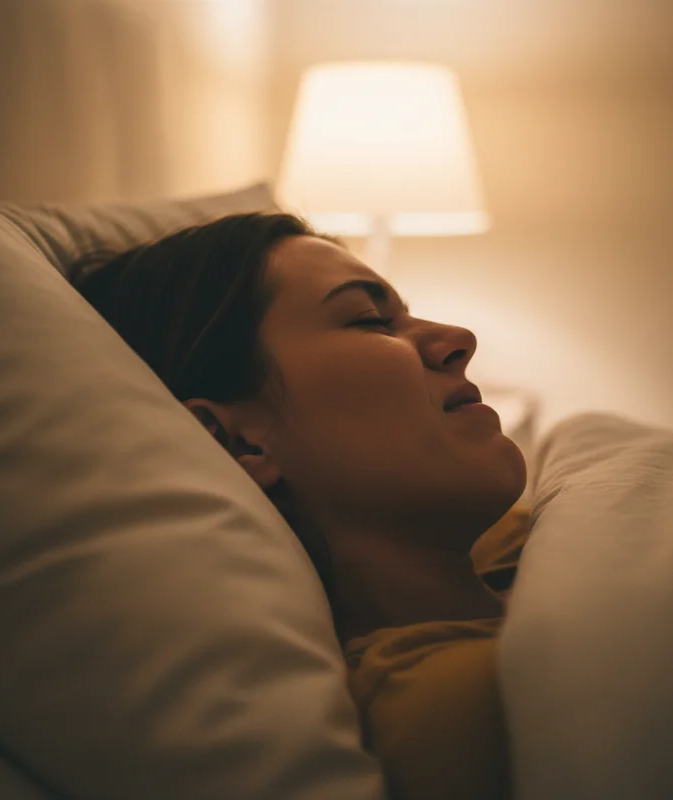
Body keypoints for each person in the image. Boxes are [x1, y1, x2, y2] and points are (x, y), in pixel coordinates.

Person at [73, 212, 531, 800]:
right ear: (238, 442)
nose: (457, 339)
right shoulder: (469, 702)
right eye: (370, 321)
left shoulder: (532, 552)